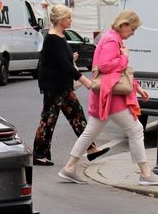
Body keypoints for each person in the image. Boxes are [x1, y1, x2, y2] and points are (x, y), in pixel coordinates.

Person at [58, 10, 158, 185]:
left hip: (103, 97)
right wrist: (125, 58)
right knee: (135, 130)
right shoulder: (112, 40)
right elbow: (106, 67)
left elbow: (115, 73)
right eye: (132, 29)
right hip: (111, 98)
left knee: (89, 134)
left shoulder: (109, 38)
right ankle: (145, 174)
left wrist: (137, 87)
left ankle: (69, 168)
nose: (133, 33)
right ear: (124, 25)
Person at [32, 5, 109, 166]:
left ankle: (91, 148)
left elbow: (62, 61)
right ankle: (39, 154)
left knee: (77, 116)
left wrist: (71, 58)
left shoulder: (60, 36)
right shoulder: (53, 39)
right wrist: (85, 81)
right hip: (54, 87)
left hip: (64, 87)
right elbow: (63, 66)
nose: (71, 20)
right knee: (48, 120)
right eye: (68, 18)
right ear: (60, 20)